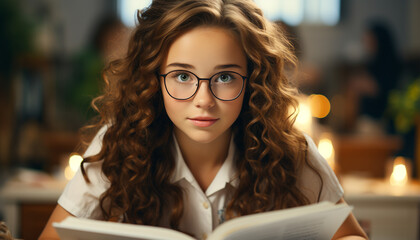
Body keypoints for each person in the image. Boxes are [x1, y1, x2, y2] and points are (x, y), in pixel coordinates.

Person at [39, 0, 368, 239]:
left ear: (251, 81)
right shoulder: (118, 145)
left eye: (225, 77)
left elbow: (351, 236)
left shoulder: (288, 150)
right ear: (154, 79)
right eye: (183, 76)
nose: (204, 101)